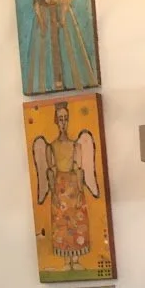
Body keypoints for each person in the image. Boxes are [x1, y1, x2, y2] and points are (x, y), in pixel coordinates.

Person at [33, 102, 98, 272]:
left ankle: (76, 259)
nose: (63, 122)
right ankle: (66, 261)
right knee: (61, 224)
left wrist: (80, 190)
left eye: (65, 118)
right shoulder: (51, 147)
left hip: (73, 187)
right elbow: (50, 170)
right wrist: (53, 191)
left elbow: (78, 168)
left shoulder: (75, 145)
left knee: (77, 222)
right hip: (59, 188)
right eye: (60, 119)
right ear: (56, 121)